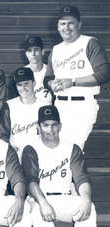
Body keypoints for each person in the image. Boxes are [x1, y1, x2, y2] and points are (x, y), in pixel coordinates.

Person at [44, 5, 110, 150]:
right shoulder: (56, 49)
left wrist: (73, 82)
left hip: (82, 106)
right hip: (60, 105)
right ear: (57, 26)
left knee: (72, 150)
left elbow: (104, 73)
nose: (66, 27)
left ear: (79, 24)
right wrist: (51, 84)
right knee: (58, 151)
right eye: (62, 23)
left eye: (70, 23)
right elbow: (47, 77)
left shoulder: (90, 43)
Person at [22, 105, 96, 226]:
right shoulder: (31, 149)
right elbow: (31, 181)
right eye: (45, 125)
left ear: (60, 126)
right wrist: (43, 203)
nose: (50, 129)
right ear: (38, 128)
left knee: (89, 208)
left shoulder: (72, 148)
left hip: (65, 198)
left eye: (54, 125)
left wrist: (86, 200)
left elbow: (82, 179)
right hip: (39, 199)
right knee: (39, 214)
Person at [0, 67, 49, 157]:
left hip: (39, 154)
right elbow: (2, 134)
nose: (23, 88)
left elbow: (49, 134)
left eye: (26, 84)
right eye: (19, 85)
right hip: (15, 154)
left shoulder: (44, 106)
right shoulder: (9, 105)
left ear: (34, 83)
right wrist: (9, 149)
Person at [23, 36, 53, 104]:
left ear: (42, 52)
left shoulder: (51, 71)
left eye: (36, 50)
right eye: (30, 51)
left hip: (48, 111)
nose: (33, 54)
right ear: (26, 54)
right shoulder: (21, 73)